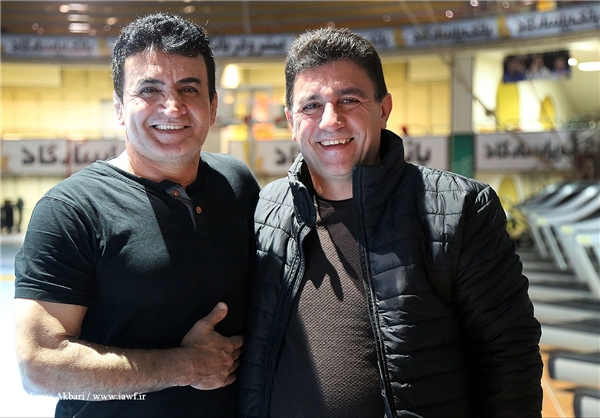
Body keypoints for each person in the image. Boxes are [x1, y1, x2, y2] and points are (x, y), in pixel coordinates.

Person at [239, 27, 543, 417]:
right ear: (290, 121)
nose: (331, 120)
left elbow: (510, 358)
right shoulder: (267, 209)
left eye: (349, 100)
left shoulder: (461, 209)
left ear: (383, 109)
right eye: (311, 105)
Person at [14, 13, 259, 418]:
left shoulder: (237, 183)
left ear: (213, 106)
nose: (173, 106)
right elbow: (40, 366)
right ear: (119, 108)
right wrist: (185, 366)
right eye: (149, 89)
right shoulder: (71, 211)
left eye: (189, 88)